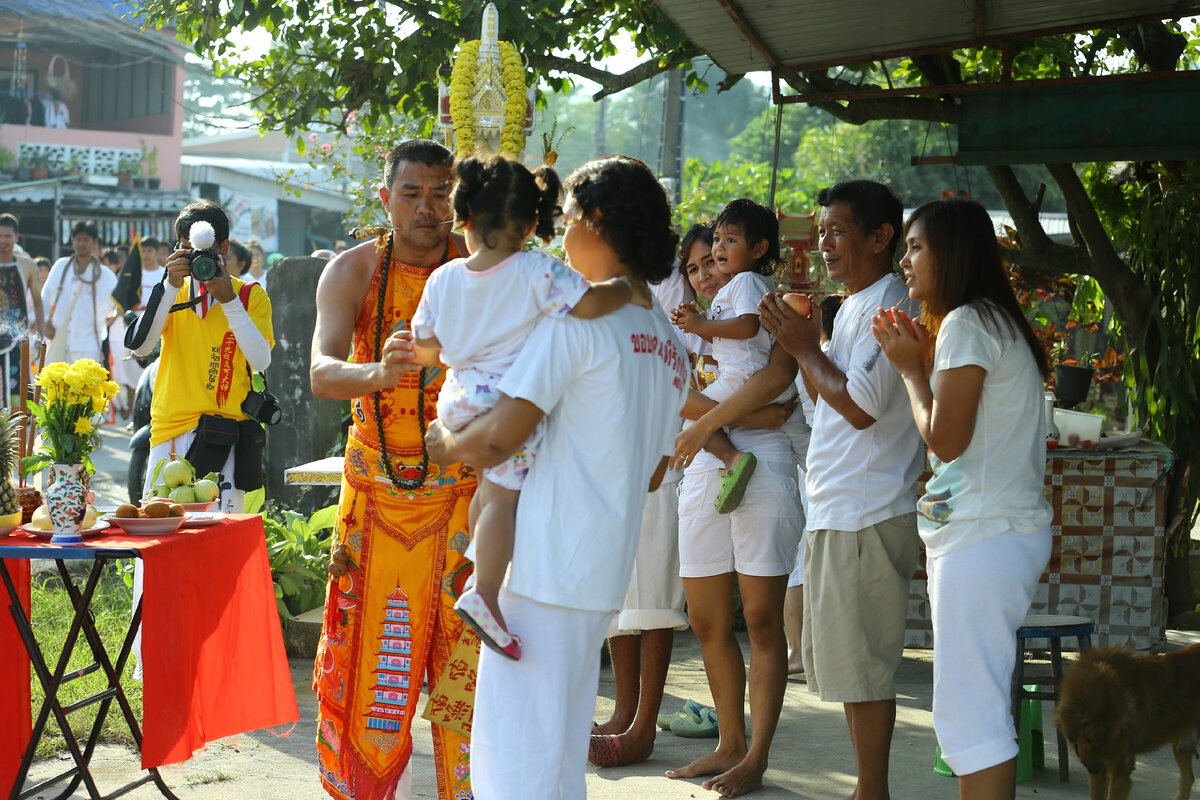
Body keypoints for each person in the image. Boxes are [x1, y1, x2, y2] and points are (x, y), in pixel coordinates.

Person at [424, 156, 688, 800]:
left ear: (596, 221)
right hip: (600, 570)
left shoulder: (572, 325)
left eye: (566, 220)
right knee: (558, 755)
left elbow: (500, 434)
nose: (558, 236)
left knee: (515, 761)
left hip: (541, 566)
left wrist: (446, 445)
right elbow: (655, 471)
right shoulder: (669, 342)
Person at [411, 155, 651, 660]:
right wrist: (624, 289)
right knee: (502, 500)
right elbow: (586, 305)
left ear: (465, 217)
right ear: (528, 224)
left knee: (486, 491)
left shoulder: (443, 277)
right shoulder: (536, 270)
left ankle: (477, 569)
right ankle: (487, 594)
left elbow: (426, 344)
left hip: (455, 397)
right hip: (502, 400)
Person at [309, 139, 475, 800]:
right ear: (386, 199)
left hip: (467, 501)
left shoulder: (481, 271)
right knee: (371, 674)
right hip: (375, 505)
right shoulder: (354, 271)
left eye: (442, 194)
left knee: (470, 673)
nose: (428, 209)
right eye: (412, 193)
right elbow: (322, 373)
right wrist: (379, 373)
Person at [872, 198, 1052, 800]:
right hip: (993, 533)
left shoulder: (969, 323)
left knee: (970, 713)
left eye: (917, 246)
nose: (906, 259)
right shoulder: (992, 321)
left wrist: (908, 370)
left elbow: (947, 438)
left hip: (985, 535)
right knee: (972, 706)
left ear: (954, 253)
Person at [758, 180, 923, 800]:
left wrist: (804, 347)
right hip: (836, 505)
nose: (824, 243)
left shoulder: (892, 305)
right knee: (849, 669)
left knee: (867, 668)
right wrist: (806, 348)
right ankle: (866, 788)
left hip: (867, 509)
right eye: (821, 230)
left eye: (838, 231)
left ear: (881, 238)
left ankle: (871, 790)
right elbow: (825, 403)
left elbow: (859, 409)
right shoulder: (851, 305)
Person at [665, 214, 805, 797]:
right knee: (705, 620)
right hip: (705, 466)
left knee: (763, 620)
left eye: (718, 252)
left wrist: (711, 421)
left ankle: (757, 757)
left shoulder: (750, 301)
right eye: (695, 265)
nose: (707, 268)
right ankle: (728, 744)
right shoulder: (695, 324)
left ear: (750, 251)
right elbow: (678, 395)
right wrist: (721, 420)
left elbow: (775, 392)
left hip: (764, 463)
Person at [129, 200, 274, 513]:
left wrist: (231, 303)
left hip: (227, 435)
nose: (197, 260)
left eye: (205, 251)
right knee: (165, 536)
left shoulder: (250, 295)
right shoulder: (172, 291)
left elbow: (261, 361)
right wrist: (168, 285)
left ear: (223, 247)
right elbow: (140, 347)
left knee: (221, 542)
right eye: (185, 249)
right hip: (172, 430)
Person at [671, 199, 807, 513]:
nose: (704, 273)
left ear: (757, 250)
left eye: (725, 244)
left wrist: (701, 324)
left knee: (692, 422)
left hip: (747, 379)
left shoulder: (745, 282)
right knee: (805, 445)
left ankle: (732, 459)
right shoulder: (731, 296)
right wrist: (699, 324)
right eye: (692, 269)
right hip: (758, 390)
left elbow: (747, 328)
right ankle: (824, 480)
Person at [784, 293, 841, 676]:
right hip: (822, 465)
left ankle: (799, 651)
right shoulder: (823, 360)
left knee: (799, 566)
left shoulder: (807, 359)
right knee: (808, 566)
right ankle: (805, 650)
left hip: (808, 466)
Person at [42, 220, 116, 364]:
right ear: (72, 241)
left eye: (86, 240)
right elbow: (45, 298)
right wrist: (46, 324)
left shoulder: (104, 275)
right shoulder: (61, 266)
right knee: (56, 385)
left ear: (94, 242)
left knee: (85, 386)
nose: (81, 243)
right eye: (78, 239)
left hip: (88, 345)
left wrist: (107, 321)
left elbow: (117, 305)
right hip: (58, 340)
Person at [0, 214, 44, 404]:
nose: (3, 241)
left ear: (16, 237)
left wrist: (40, 337)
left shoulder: (27, 266)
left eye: (7, 236)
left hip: (17, 340)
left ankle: (15, 434)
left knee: (16, 399)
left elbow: (38, 302)